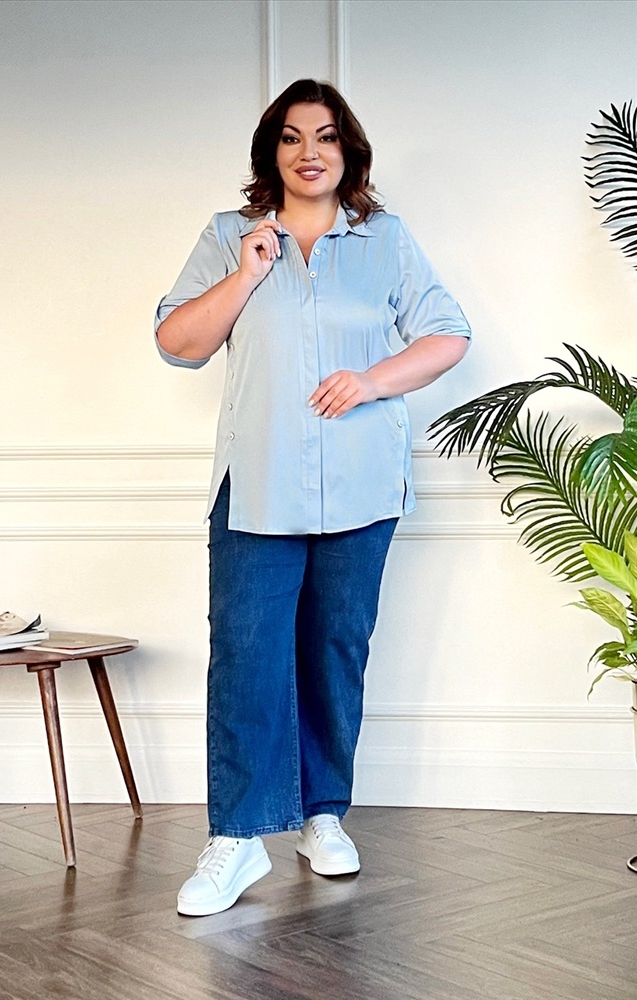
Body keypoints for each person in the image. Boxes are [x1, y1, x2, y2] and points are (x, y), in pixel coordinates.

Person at [155, 79, 471, 917]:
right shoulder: (229, 236)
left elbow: (447, 333)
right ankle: (236, 837)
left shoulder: (384, 240)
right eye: (292, 137)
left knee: (335, 652)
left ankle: (322, 815)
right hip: (255, 484)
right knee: (246, 656)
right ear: (272, 152)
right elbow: (177, 344)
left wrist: (370, 380)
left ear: (347, 151)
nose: (309, 152)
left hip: (362, 484)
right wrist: (246, 274)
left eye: (325, 136)